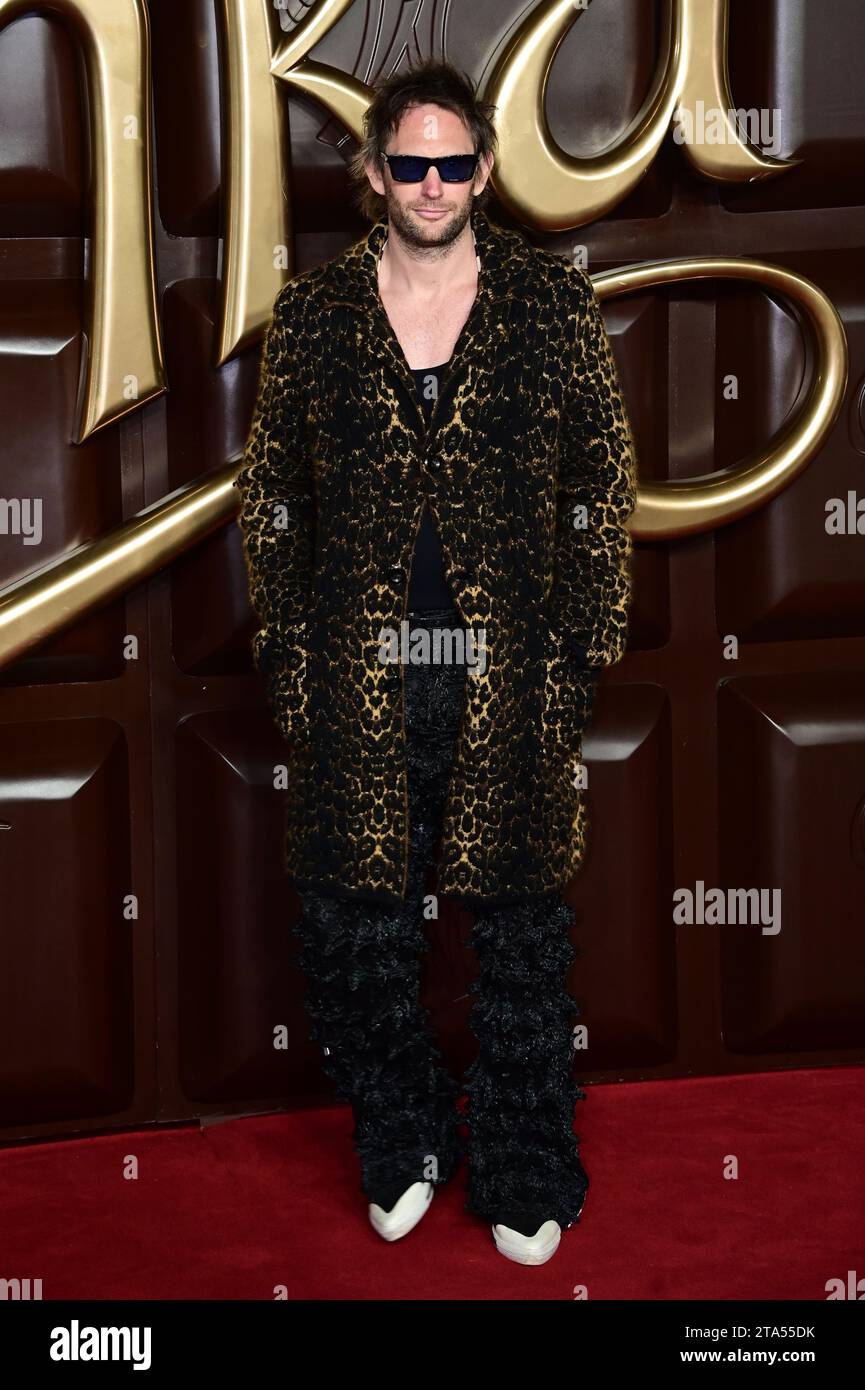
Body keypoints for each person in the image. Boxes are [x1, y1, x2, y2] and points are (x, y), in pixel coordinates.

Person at [234, 58, 637, 1266]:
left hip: (508, 673)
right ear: (371, 173)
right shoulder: (312, 319)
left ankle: (524, 1164)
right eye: (406, 163)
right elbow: (273, 506)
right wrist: (297, 667)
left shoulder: (548, 307)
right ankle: (405, 1134)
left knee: (519, 937)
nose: (429, 183)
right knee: (354, 931)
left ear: (482, 170)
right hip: (357, 677)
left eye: (451, 162)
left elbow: (601, 488)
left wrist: (575, 651)